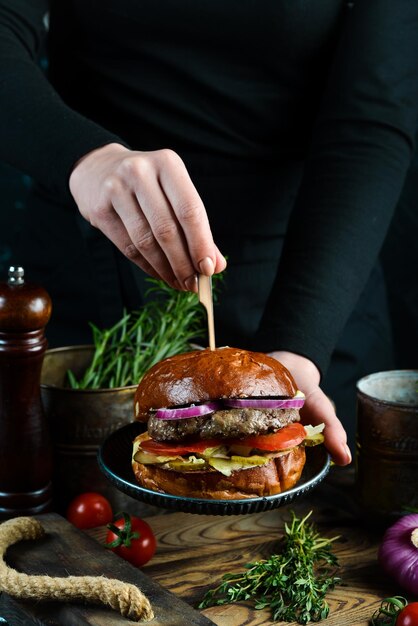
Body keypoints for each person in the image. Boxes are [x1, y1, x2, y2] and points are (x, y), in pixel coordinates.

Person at [1, 0, 417, 467]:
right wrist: (85, 156)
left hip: (311, 288)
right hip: (89, 286)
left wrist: (300, 345)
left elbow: (370, 125)